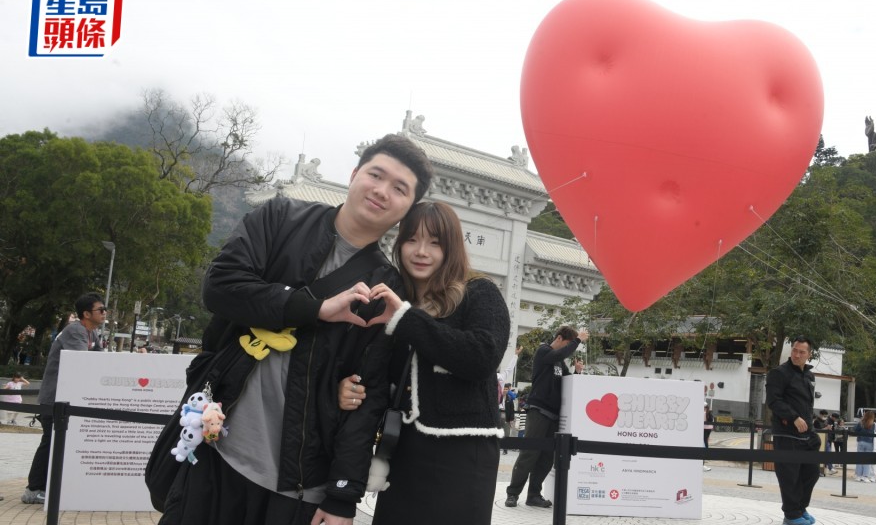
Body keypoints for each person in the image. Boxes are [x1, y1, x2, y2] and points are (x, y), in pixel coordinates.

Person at [157, 134, 433, 525]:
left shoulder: (386, 290)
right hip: (214, 452)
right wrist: (315, 307)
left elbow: (368, 398)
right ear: (354, 174)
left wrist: (342, 496)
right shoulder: (280, 219)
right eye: (376, 174)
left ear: (408, 208)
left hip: (301, 486)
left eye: (400, 188)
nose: (382, 191)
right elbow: (219, 286)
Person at [363, 201, 511, 525]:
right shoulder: (397, 302)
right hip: (403, 450)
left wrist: (406, 319)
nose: (421, 251)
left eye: (434, 242)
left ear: (451, 248)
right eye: (412, 239)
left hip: (463, 453)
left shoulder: (479, 292)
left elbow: (482, 356)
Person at [24, 293, 105, 505]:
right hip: (54, 398)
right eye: (101, 310)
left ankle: (47, 486)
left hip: (65, 399)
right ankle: (33, 489)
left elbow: (102, 358)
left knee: (57, 442)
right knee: (49, 442)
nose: (105, 313)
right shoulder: (76, 331)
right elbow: (82, 361)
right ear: (86, 314)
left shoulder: (91, 333)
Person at [505, 325, 589, 509]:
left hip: (554, 415)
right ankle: (512, 494)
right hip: (539, 410)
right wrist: (577, 341)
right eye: (567, 343)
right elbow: (558, 355)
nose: (568, 349)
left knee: (546, 457)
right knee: (529, 453)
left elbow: (567, 382)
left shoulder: (560, 363)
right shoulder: (544, 351)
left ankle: (534, 495)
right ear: (559, 339)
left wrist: (576, 372)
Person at [765, 336, 820, 525]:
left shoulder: (809, 376)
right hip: (786, 432)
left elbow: (807, 404)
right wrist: (793, 417)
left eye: (801, 352)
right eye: (794, 350)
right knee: (790, 476)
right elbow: (773, 401)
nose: (797, 355)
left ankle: (800, 508)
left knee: (811, 472)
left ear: (809, 354)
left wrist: (810, 425)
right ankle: (791, 515)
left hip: (807, 434)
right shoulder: (779, 373)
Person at [853, 410, 876, 483]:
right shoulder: (873, 424)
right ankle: (865, 476)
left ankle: (858, 475)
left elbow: (855, 430)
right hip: (869, 443)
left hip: (861, 441)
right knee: (867, 460)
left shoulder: (861, 423)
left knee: (859, 459)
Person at [812, 410, 833, 476]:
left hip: (826, 439)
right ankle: (820, 470)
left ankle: (830, 468)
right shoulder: (816, 421)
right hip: (820, 439)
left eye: (826, 416)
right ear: (820, 414)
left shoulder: (825, 421)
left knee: (828, 453)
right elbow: (818, 430)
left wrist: (829, 428)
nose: (825, 417)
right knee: (820, 455)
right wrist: (826, 428)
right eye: (824, 415)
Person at [702, 402, 714, 472]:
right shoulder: (709, 414)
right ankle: (702, 465)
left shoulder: (705, 414)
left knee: (704, 447)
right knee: (704, 447)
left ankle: (702, 465)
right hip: (706, 433)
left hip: (704, 433)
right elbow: (711, 426)